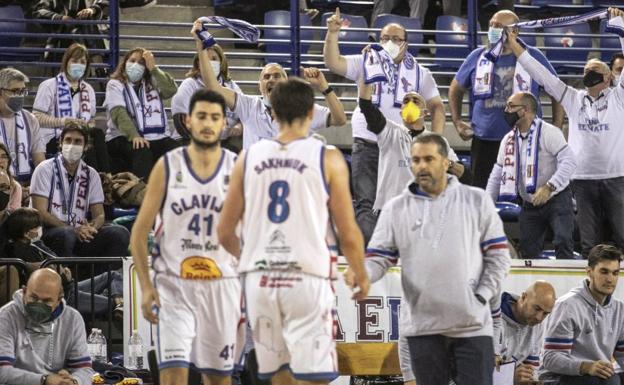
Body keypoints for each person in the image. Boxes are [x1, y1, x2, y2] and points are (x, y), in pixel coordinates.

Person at [217, 78, 369, 384]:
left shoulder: (248, 158)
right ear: (312, 113)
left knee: (280, 375)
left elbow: (224, 231)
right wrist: (360, 273)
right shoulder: (327, 157)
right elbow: (347, 229)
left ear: (272, 112)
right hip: (307, 278)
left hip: (262, 281)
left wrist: (253, 259)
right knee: (317, 376)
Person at [347, 133, 511, 385]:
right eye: (415, 160)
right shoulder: (396, 208)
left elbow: (499, 256)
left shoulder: (476, 201)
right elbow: (379, 258)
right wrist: (362, 274)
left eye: (429, 159)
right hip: (423, 327)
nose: (421, 166)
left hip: (471, 327)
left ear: (446, 162)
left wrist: (481, 294)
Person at [131, 89, 242, 385]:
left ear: (224, 124)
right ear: (188, 121)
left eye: (215, 117)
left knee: (218, 379)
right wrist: (145, 286)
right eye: (202, 116)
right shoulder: (167, 166)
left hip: (222, 285)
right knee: (173, 376)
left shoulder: (238, 167)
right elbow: (139, 232)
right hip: (174, 286)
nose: (208, 123)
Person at [506, 8, 624, 257]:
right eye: (585, 70)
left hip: (617, 177)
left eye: (593, 71)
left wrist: (619, 24)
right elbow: (542, 75)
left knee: (623, 235)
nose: (586, 74)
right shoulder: (574, 98)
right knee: (588, 242)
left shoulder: (619, 97)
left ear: (608, 77)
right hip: (582, 180)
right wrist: (515, 46)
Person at [323, 9, 445, 244]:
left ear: (406, 44)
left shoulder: (420, 72)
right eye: (385, 38)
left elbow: (438, 107)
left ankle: (400, 254)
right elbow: (333, 62)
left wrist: (436, 141)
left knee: (402, 201)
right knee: (366, 202)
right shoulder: (367, 61)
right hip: (366, 142)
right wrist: (332, 33)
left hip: (400, 147)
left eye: (396, 39)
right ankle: (371, 255)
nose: (390, 43)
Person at [449, 10, 564, 189]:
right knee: (482, 192)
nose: (494, 29)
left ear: (515, 32)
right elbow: (455, 88)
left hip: (526, 140)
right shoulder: (478, 56)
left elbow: (557, 92)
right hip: (485, 140)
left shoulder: (533, 57)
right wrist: (457, 121)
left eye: (500, 27)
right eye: (492, 25)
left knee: (525, 193)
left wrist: (556, 128)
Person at [192, 19, 348, 150]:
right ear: (260, 86)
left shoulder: (302, 108)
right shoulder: (248, 106)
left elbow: (340, 119)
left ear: (286, 83)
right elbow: (213, 85)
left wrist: (324, 87)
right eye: (266, 77)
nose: (271, 80)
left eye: (276, 76)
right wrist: (201, 48)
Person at [486, 91, 576, 259]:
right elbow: (497, 174)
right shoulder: (508, 140)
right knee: (528, 250)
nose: (506, 110)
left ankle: (566, 285)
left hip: (556, 198)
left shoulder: (549, 132)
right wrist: (486, 204)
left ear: (525, 110)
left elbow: (569, 161)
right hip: (529, 203)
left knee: (563, 241)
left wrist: (549, 187)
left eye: (511, 106)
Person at [358, 79, 464, 214]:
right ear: (401, 111)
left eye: (415, 101)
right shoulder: (388, 131)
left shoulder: (437, 141)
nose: (410, 104)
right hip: (390, 210)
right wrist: (367, 77)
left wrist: (446, 163)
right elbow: (366, 107)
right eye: (406, 101)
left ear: (425, 113)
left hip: (424, 211)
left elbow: (465, 175)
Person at [30, 123, 130, 259]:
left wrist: (91, 227)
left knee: (120, 233)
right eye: (68, 140)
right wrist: (73, 229)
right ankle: (66, 278)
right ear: (60, 143)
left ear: (86, 146)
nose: (72, 145)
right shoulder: (44, 169)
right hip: (48, 232)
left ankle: (105, 278)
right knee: (66, 234)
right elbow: (40, 213)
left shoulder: (91, 174)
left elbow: (99, 214)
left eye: (77, 141)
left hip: (79, 232)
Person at [4, 207, 124, 317]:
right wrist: (58, 271)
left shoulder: (37, 245)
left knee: (113, 275)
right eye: (36, 227)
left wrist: (61, 269)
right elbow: (38, 271)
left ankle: (117, 299)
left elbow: (56, 259)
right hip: (61, 296)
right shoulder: (16, 250)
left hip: (70, 288)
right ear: (26, 233)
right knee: (116, 305)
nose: (40, 230)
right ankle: (117, 304)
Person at [540, 244, 624, 385]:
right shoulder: (567, 306)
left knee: (612, 379)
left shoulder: (620, 310)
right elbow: (550, 358)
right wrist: (586, 367)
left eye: (615, 273)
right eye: (604, 272)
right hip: (557, 378)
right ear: (589, 272)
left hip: (597, 376)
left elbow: (622, 356)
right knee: (608, 381)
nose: (610, 279)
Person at [0, 268, 95, 385]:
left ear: (59, 300)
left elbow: (84, 369)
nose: (38, 305)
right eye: (33, 298)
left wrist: (74, 381)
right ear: (24, 291)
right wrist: (44, 380)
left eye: (46, 301)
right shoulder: (6, 315)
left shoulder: (73, 319)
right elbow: (2, 372)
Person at [33, 43, 110, 173]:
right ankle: (99, 181)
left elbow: (91, 120)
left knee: (96, 134)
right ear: (66, 62)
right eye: (74, 60)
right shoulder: (49, 86)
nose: (78, 65)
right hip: (54, 138)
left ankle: (106, 176)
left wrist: (86, 125)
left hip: (79, 135)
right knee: (86, 144)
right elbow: (36, 117)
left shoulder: (88, 89)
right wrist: (64, 122)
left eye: (82, 62)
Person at [104, 47, 179, 179]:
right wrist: (134, 135)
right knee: (142, 150)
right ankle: (141, 193)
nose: (135, 65)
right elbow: (118, 113)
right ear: (125, 62)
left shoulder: (152, 82)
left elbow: (171, 90)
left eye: (141, 63)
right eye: (132, 60)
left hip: (155, 136)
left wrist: (154, 69)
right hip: (120, 136)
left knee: (176, 150)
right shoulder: (114, 84)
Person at [171, 49, 242, 142]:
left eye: (214, 59)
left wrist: (241, 126)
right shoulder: (189, 84)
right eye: (205, 59)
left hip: (223, 140)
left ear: (221, 62)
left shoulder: (231, 86)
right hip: (190, 139)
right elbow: (180, 121)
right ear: (198, 64)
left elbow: (247, 113)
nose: (210, 63)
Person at [496, 281, 556, 384]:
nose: (539, 317)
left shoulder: (536, 323)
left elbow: (532, 367)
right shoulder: (491, 319)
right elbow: (474, 371)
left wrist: (532, 381)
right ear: (523, 297)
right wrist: (509, 377)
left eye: (545, 313)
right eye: (536, 308)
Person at [0, 67, 45, 182]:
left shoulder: (30, 119)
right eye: (15, 91)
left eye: (22, 91)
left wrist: (36, 187)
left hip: (25, 182)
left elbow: (39, 161)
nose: (20, 96)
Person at [0, 143, 22, 211]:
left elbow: (14, 214)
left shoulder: (16, 186)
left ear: (8, 161)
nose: (0, 161)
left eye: (3, 157)